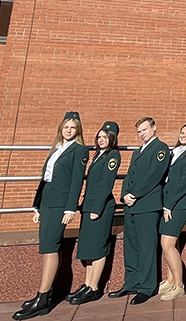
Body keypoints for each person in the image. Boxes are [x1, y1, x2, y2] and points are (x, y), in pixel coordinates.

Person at [15, 111, 88, 320]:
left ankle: (42, 298)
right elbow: (45, 178)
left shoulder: (79, 150)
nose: (68, 130)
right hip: (47, 202)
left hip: (60, 205)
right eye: (66, 126)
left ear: (78, 130)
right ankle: (46, 294)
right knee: (47, 247)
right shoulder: (57, 147)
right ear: (60, 128)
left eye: (73, 127)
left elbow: (77, 181)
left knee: (50, 247)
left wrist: (70, 208)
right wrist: (37, 205)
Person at [108, 117, 170, 305]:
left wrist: (134, 193)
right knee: (131, 247)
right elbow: (129, 175)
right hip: (131, 206)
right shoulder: (138, 152)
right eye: (139, 131)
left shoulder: (160, 148)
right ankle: (131, 282)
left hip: (147, 205)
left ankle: (147, 287)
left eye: (144, 129)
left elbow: (154, 175)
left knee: (147, 247)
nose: (142, 134)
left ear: (154, 128)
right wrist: (124, 194)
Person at [68, 121, 121, 306]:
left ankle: (94, 287)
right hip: (89, 206)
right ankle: (87, 284)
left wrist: (96, 209)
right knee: (89, 247)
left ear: (112, 138)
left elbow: (106, 184)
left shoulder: (113, 155)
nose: (101, 140)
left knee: (98, 247)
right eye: (99, 137)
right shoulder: (98, 155)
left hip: (100, 208)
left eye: (105, 137)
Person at [158, 123, 186, 301]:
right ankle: (170, 280)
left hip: (180, 204)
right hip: (168, 202)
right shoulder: (174, 152)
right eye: (182, 132)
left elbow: (185, 182)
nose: (183, 135)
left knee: (167, 243)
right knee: (172, 243)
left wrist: (169, 205)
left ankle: (179, 285)